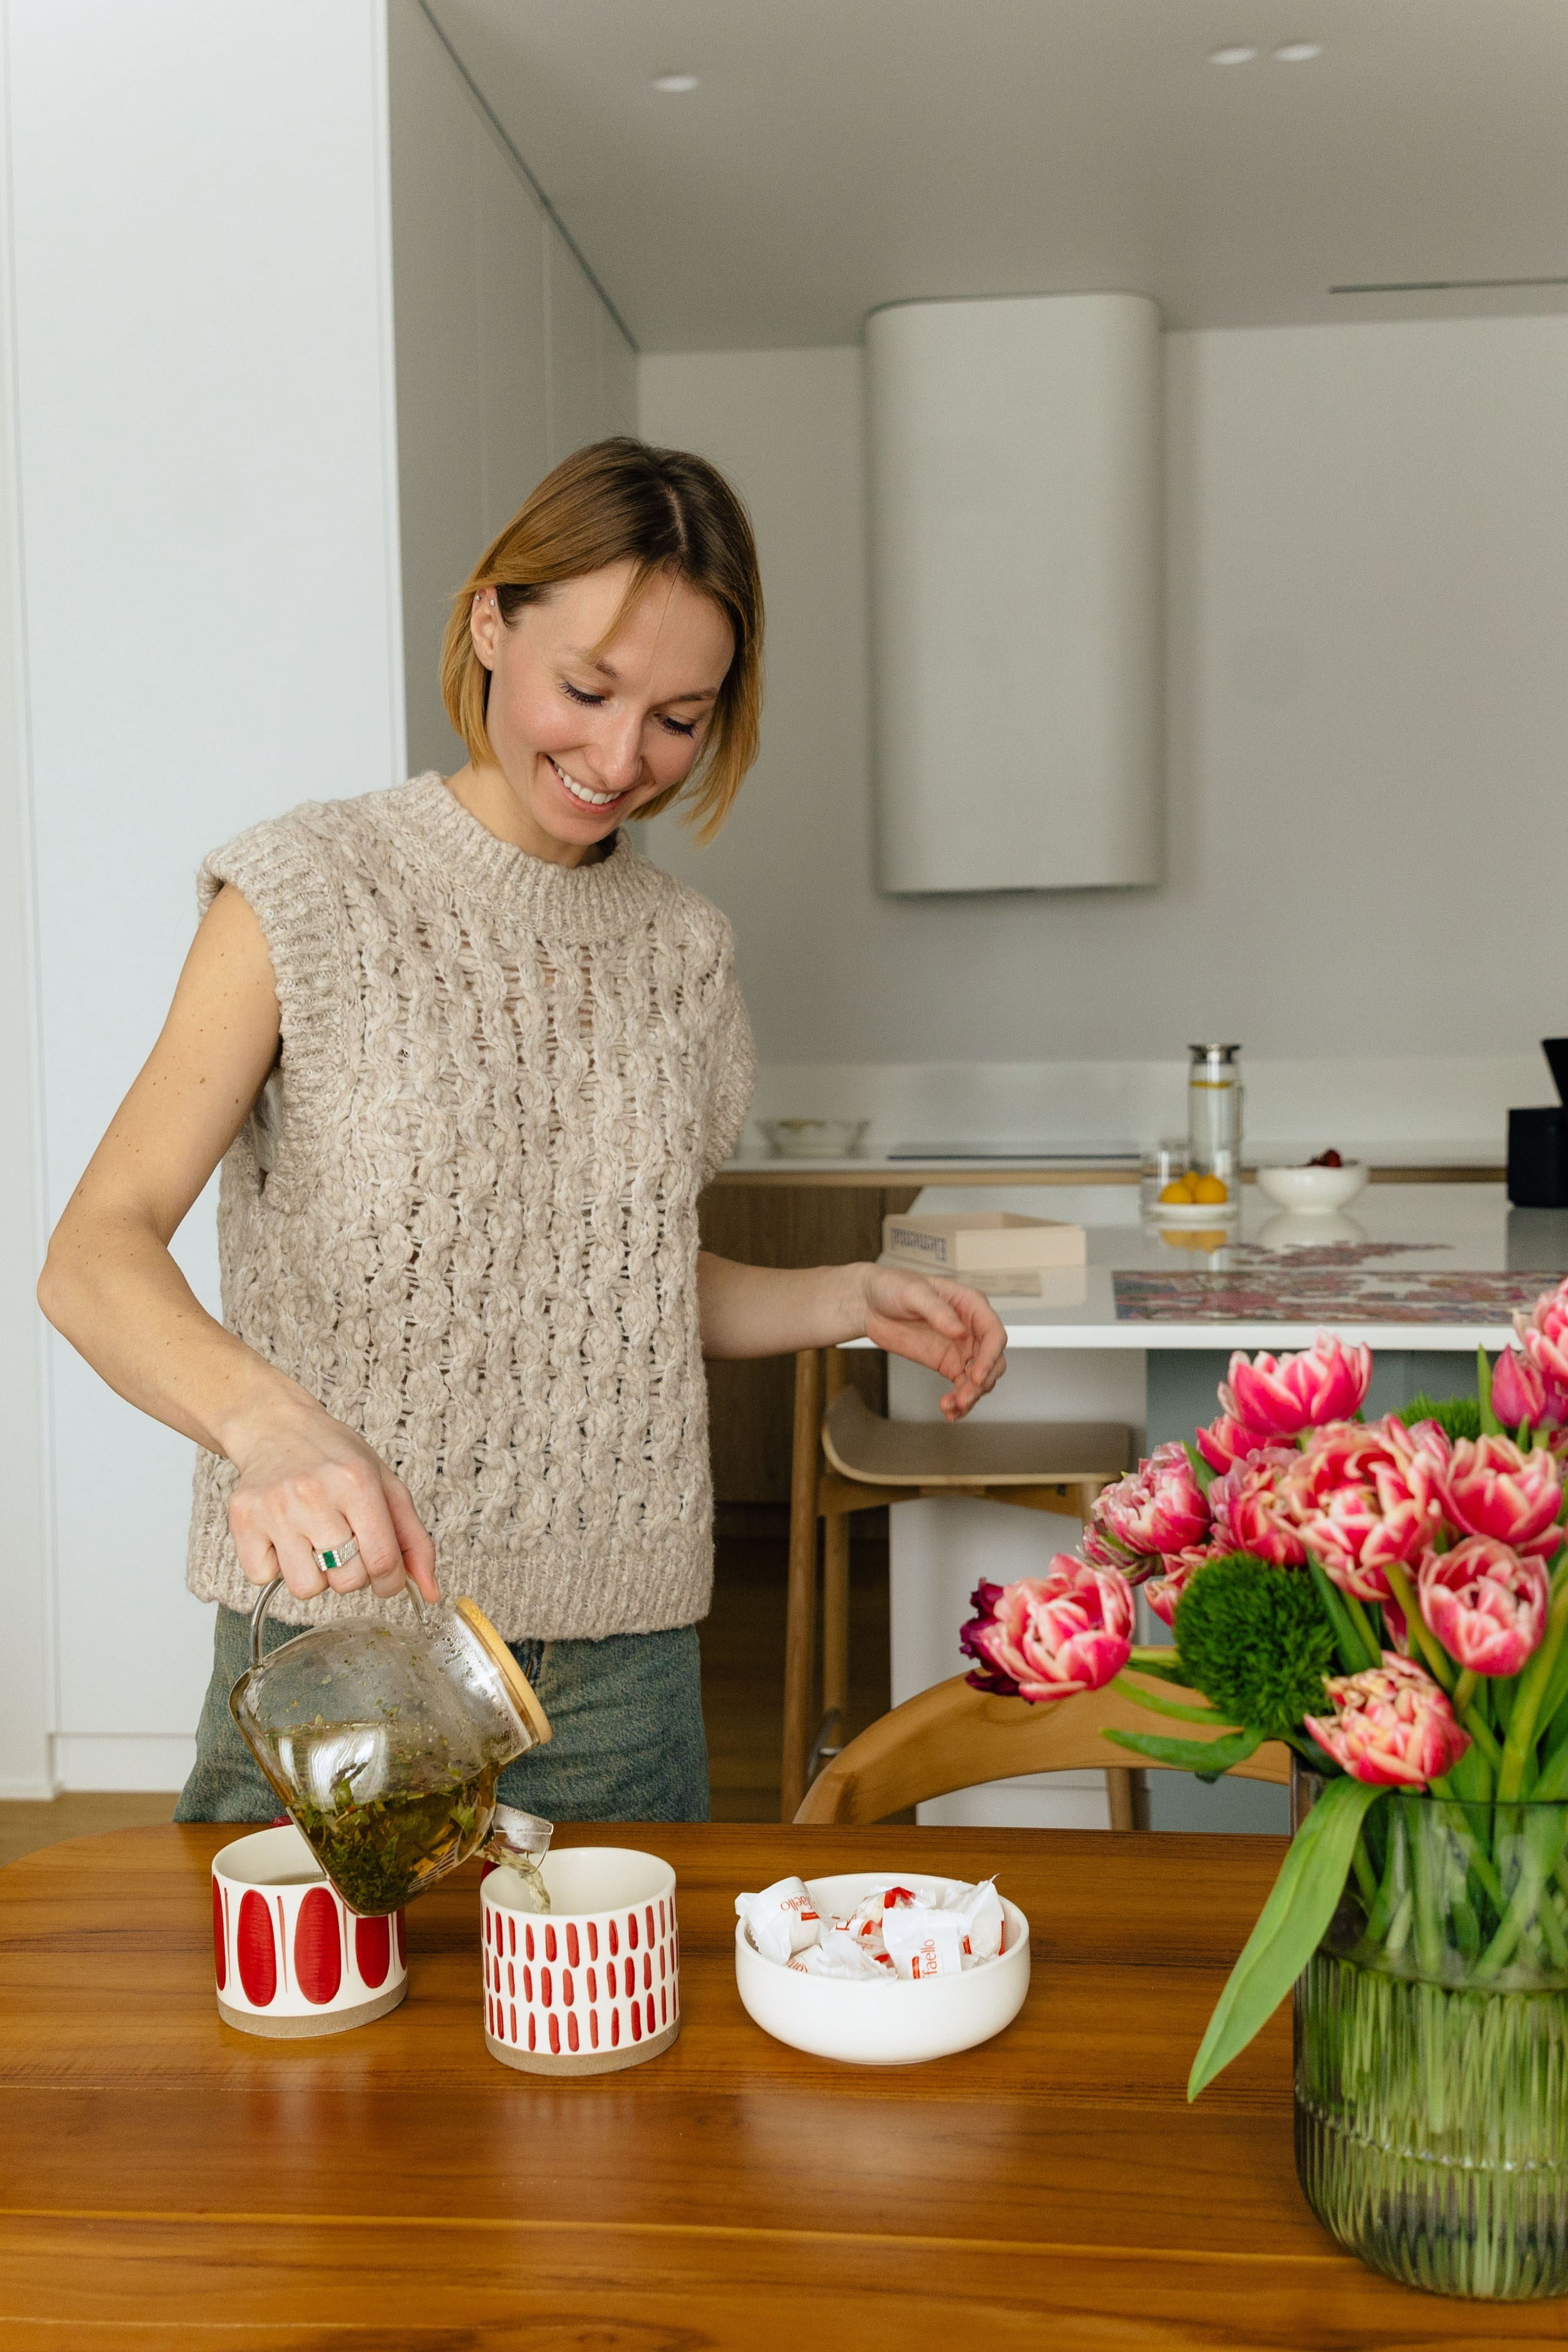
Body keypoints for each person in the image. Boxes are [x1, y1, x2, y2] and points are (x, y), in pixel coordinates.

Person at [38, 437, 1006, 1824]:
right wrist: (270, 1428)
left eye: (679, 717)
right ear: (492, 620)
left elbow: (607, 1285)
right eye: (589, 688)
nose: (622, 758)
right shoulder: (308, 891)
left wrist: (846, 1297)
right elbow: (93, 1253)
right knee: (306, 2047)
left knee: (613, 2042)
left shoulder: (683, 950)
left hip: (619, 1679)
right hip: (344, 1647)